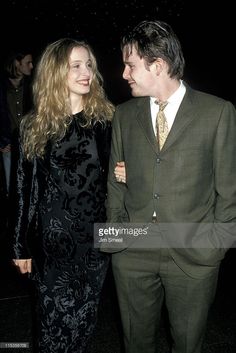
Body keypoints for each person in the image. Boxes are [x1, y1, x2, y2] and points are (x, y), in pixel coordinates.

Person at [103, 20, 236, 353]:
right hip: (131, 252)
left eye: (130, 65)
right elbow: (114, 184)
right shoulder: (123, 114)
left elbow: (229, 190)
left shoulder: (218, 112)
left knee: (188, 344)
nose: (124, 74)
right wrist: (115, 239)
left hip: (193, 254)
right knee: (135, 343)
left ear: (158, 65)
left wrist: (216, 246)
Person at [11, 38, 114, 353]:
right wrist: (19, 246)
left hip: (96, 245)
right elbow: (22, 190)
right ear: (56, 72)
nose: (87, 72)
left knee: (84, 323)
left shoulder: (107, 121)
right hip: (52, 246)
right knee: (52, 327)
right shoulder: (33, 127)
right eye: (76, 65)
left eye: (89, 65)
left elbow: (118, 178)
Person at [0, 49, 33, 196]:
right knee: (10, 187)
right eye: (28, 63)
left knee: (30, 186)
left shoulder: (33, 86)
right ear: (16, 64)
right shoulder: (1, 87)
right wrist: (1, 141)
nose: (31, 66)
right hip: (8, 144)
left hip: (29, 143)